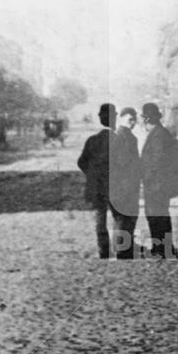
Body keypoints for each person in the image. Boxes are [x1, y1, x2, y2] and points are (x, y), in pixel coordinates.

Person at [77, 103, 118, 259]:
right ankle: (120, 248)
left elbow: (81, 162)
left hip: (97, 186)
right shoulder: (121, 139)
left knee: (100, 217)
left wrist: (92, 174)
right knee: (119, 217)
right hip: (116, 185)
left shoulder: (92, 140)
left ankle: (104, 250)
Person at [140, 102, 178, 259]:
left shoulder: (158, 135)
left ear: (146, 119)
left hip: (156, 184)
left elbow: (156, 161)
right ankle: (164, 247)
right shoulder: (160, 133)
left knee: (156, 216)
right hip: (159, 184)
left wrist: (146, 180)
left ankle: (162, 248)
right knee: (159, 215)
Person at [108, 107, 142, 259]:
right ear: (121, 119)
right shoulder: (120, 137)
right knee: (124, 216)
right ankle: (123, 251)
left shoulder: (128, 137)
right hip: (122, 184)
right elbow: (122, 163)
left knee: (126, 216)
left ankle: (123, 247)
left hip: (126, 184)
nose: (132, 123)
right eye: (129, 119)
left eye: (134, 120)